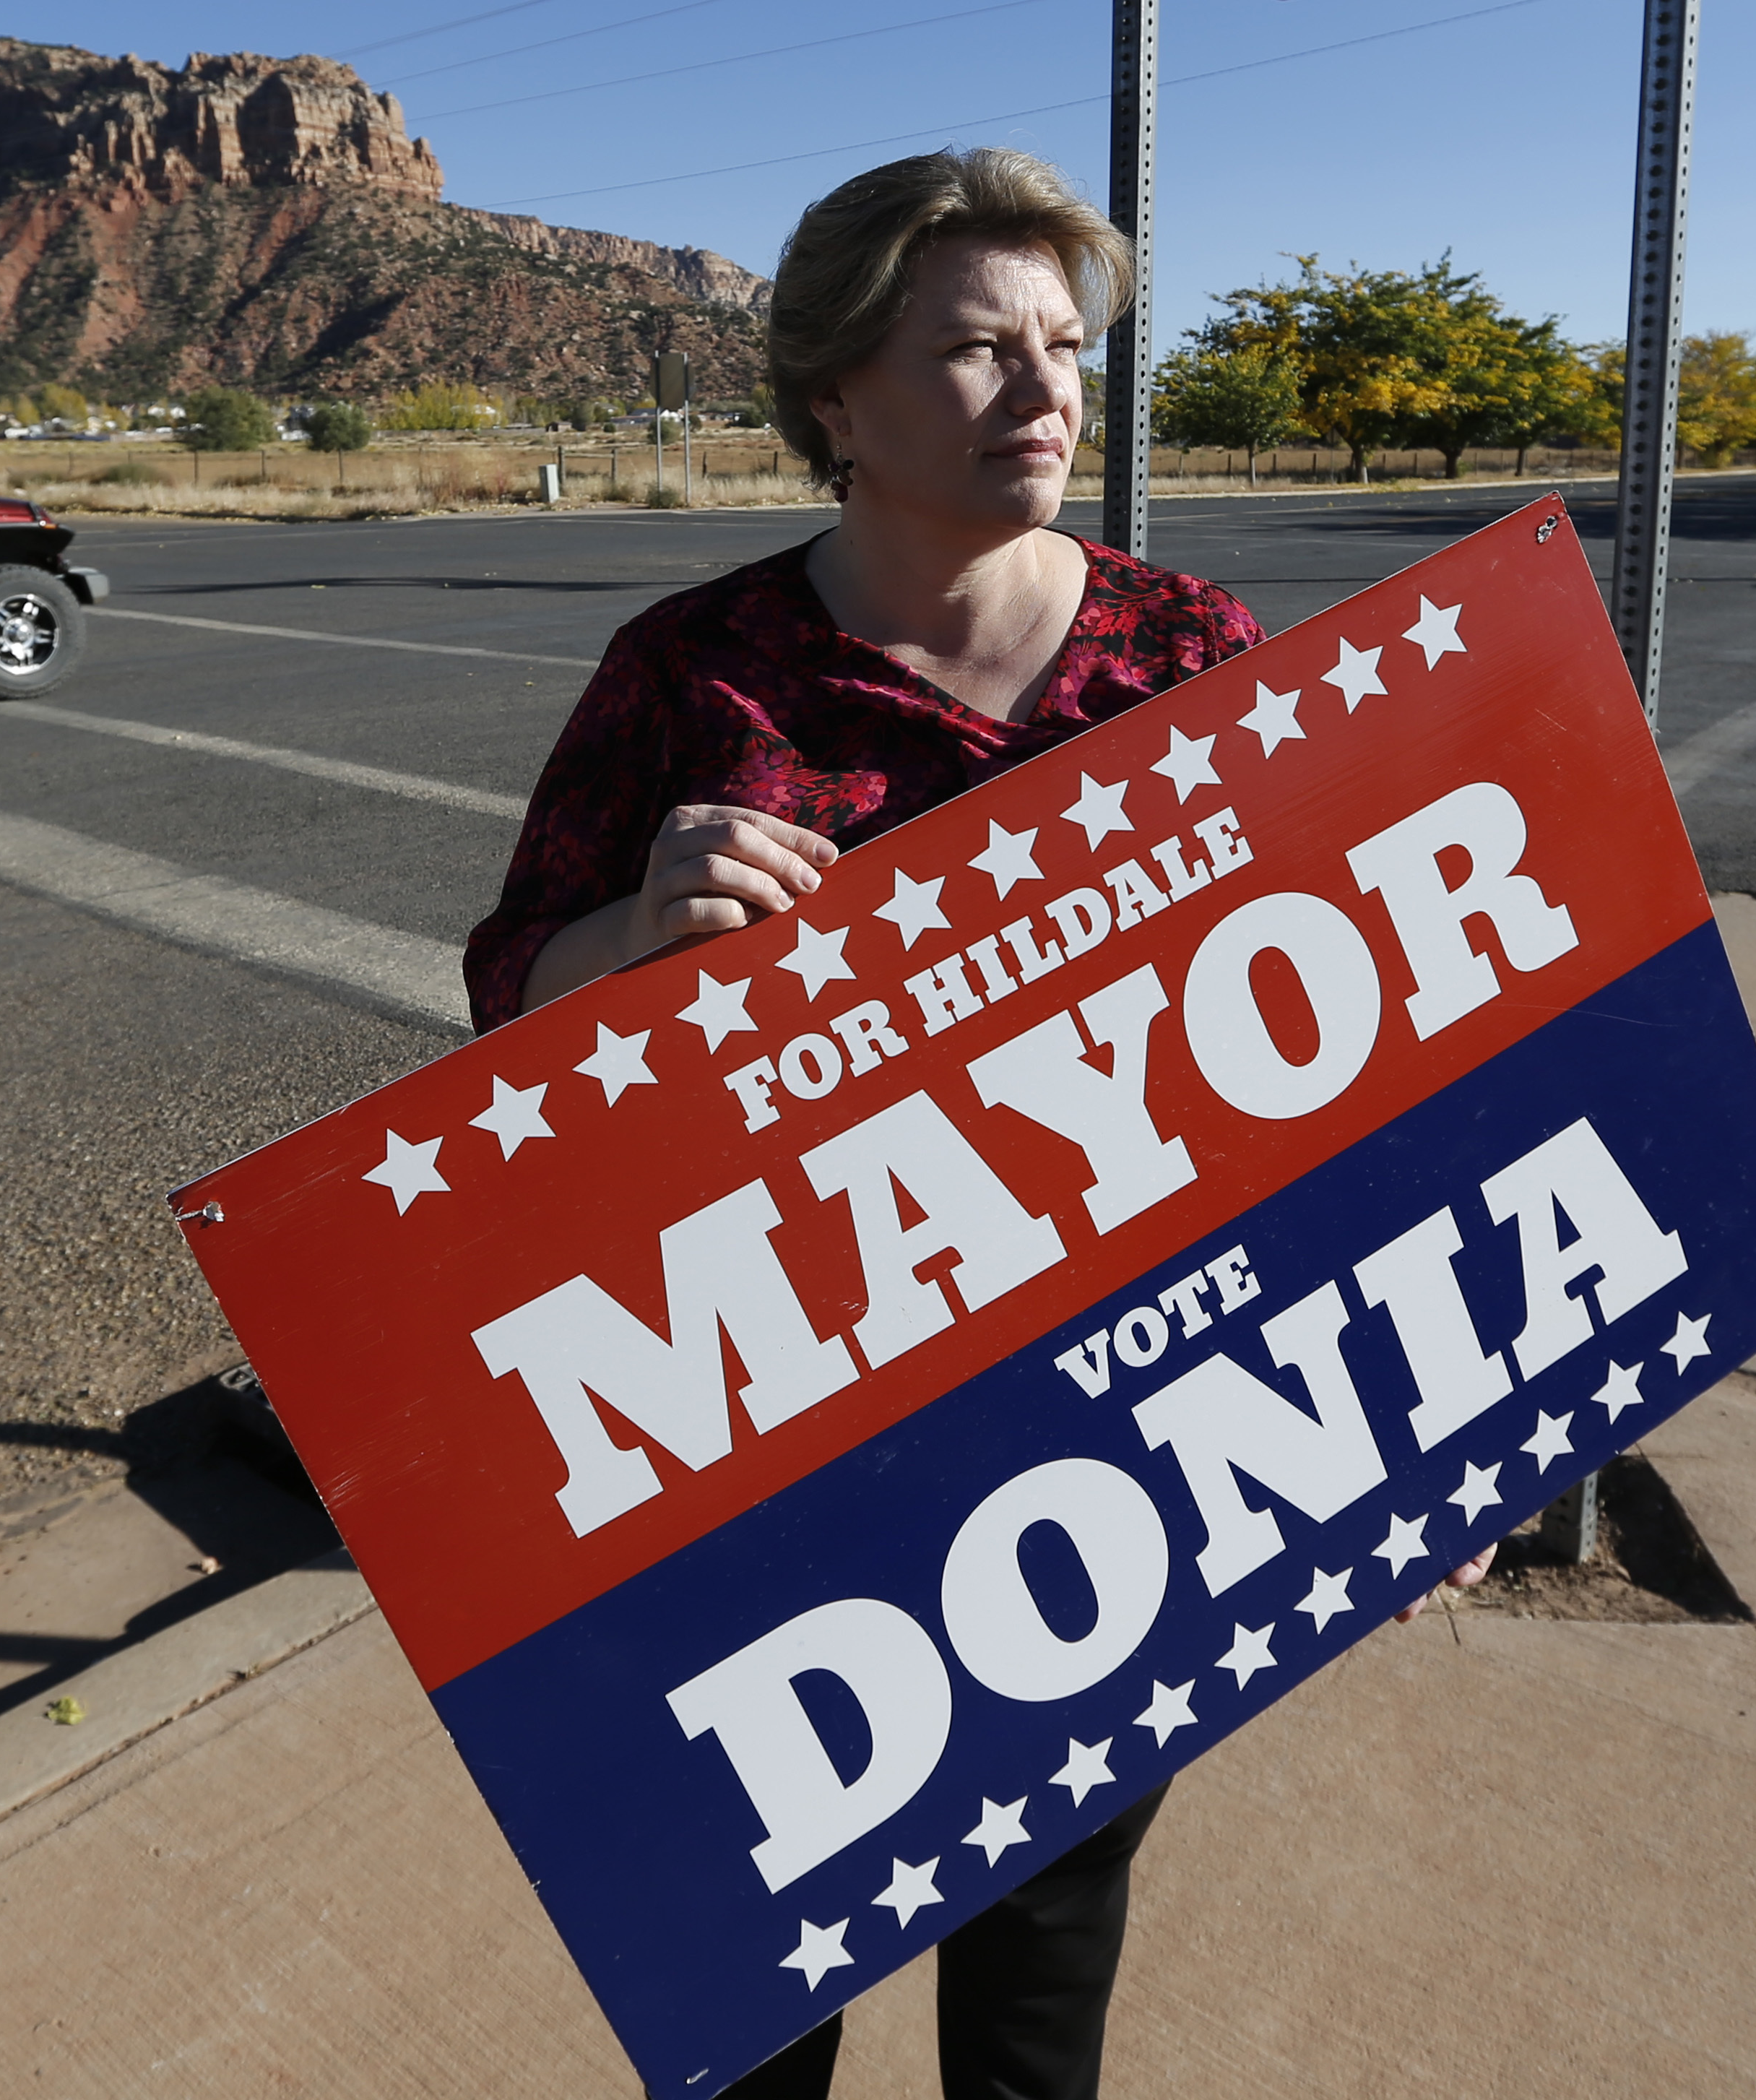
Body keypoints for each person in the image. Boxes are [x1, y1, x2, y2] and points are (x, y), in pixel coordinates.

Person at [462, 145, 1488, 2100]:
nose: (1044, 389)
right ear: (834, 401)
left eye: (1063, 345)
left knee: (1046, 1944)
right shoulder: (690, 673)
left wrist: (1429, 1417)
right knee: (764, 1953)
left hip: (1118, 1399)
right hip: (787, 1409)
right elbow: (507, 993)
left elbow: (1354, 1038)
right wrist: (628, 932)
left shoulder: (1188, 651)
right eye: (974, 349)